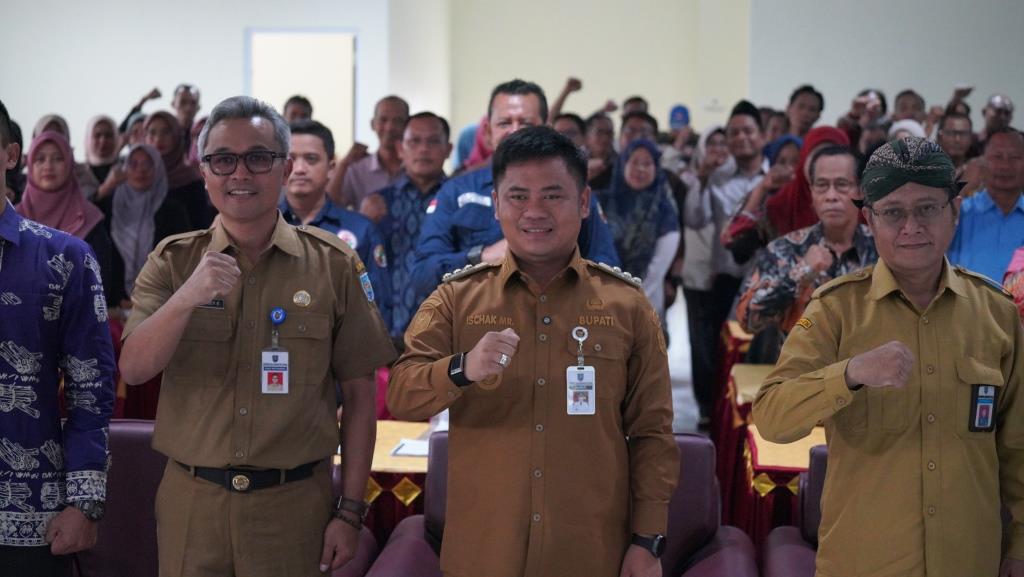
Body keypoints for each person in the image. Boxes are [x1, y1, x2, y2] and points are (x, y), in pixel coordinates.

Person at [119, 95, 396, 576]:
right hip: (193, 504)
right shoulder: (174, 261)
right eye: (223, 160)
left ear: (284, 169)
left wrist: (350, 512)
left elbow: (358, 393)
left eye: (258, 158)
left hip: (293, 508)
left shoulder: (332, 265)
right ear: (204, 172)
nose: (240, 174)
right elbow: (135, 367)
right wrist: (188, 296)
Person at [388, 125, 678, 577]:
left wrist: (648, 539)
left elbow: (653, 432)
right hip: (484, 554)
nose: (534, 211)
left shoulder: (627, 305)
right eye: (518, 196)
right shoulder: (456, 299)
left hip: (590, 551)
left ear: (584, 204)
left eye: (553, 195)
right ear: (498, 204)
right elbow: (402, 394)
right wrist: (463, 368)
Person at [753, 136, 1024, 577]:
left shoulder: (995, 312)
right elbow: (771, 416)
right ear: (870, 220)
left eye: (927, 208)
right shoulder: (834, 309)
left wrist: (1020, 546)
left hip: (968, 560)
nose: (911, 227)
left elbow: (1017, 444)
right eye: (894, 212)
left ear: (953, 213)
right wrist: (849, 374)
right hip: (865, 561)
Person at [0, 98, 115, 577]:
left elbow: (92, 393)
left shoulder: (64, 258)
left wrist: (84, 504)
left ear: (10, 155)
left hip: (30, 516)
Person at [411, 79, 620, 302]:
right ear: (487, 132)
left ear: (546, 129)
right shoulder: (455, 192)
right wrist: (481, 257)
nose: (515, 131)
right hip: (477, 328)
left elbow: (607, 273)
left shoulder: (571, 191)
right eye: (504, 123)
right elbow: (421, 276)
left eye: (526, 123)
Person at [736, 145, 877, 361]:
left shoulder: (881, 248)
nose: (831, 196)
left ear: (860, 191)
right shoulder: (786, 249)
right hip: (802, 381)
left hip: (870, 380)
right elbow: (748, 320)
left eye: (841, 185)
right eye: (822, 185)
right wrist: (802, 271)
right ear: (811, 192)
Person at [682, 100, 766, 424]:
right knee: (719, 355)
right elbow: (694, 217)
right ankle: (718, 417)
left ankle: (757, 414)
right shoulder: (716, 178)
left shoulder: (777, 174)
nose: (741, 137)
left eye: (748, 130)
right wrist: (702, 178)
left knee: (759, 353)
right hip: (727, 281)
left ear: (761, 135)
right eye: (734, 133)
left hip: (766, 280)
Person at [280, 119, 391, 328]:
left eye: (311, 159)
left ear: (331, 167)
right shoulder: (261, 227)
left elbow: (378, 306)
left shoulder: (362, 230)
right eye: (291, 159)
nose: (300, 168)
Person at [370, 112, 451, 342]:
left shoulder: (459, 202)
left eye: (433, 141)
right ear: (400, 149)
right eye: (414, 141)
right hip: (388, 332)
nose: (423, 149)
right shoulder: (378, 203)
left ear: (449, 149)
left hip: (447, 334)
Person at [16, 130, 114, 300]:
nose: (48, 166)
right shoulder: (12, 219)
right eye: (40, 159)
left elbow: (101, 283)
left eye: (58, 158)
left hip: (78, 318)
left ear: (69, 164)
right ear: (30, 165)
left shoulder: (90, 219)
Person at [94, 144, 191, 309]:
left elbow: (183, 260)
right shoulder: (107, 208)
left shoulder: (174, 211)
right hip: (113, 307)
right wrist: (116, 301)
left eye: (148, 164)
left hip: (162, 305)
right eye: (133, 164)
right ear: (124, 169)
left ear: (158, 168)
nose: (141, 170)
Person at [596, 139, 680, 319]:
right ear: (623, 163)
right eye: (634, 162)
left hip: (644, 306)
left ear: (656, 168)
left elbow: (656, 271)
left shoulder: (665, 213)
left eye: (647, 164)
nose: (640, 169)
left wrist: (627, 304)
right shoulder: (602, 203)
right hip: (599, 304)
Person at [948, 129, 1024, 281]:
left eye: (1015, 157)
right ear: (982, 161)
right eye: (997, 156)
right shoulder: (960, 210)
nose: (1005, 165)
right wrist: (963, 186)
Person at [764, 126, 851, 236]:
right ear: (804, 158)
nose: (824, 165)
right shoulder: (778, 206)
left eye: (832, 157)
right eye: (816, 156)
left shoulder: (861, 207)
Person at [332, 95, 409, 209]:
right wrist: (343, 165)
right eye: (383, 120)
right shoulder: (357, 169)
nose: (390, 127)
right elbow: (330, 207)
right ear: (373, 124)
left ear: (408, 125)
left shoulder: (417, 168)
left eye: (398, 121)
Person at [144, 111, 211, 229]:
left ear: (176, 135)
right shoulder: (138, 177)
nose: (158, 138)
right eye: (152, 132)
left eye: (166, 132)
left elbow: (201, 228)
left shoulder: (190, 179)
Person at [32, 114, 100, 200]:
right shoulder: (29, 177)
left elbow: (91, 196)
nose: (53, 138)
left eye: (58, 133)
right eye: (47, 133)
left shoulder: (81, 172)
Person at [584, 112, 616, 189]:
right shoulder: (575, 164)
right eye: (599, 132)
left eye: (609, 133)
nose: (605, 138)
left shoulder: (621, 164)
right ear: (587, 136)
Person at [83, 115, 119, 183]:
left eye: (108, 135)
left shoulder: (126, 170)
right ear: (88, 139)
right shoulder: (79, 173)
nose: (103, 140)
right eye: (97, 135)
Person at [171, 83, 201, 149]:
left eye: (193, 103)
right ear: (173, 104)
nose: (188, 108)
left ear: (198, 107)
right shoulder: (164, 132)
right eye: (183, 102)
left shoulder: (202, 135)